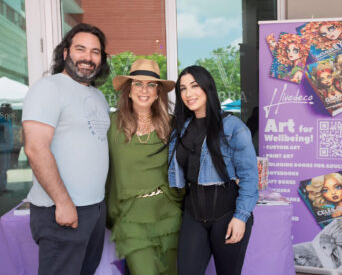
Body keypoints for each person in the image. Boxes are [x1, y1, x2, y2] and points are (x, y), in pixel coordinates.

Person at [22, 23, 110, 275]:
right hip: (60, 209)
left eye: (95, 52)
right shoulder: (49, 88)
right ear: (65, 53)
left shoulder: (98, 96)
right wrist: (62, 202)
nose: (88, 57)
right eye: (80, 49)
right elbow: (35, 148)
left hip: (94, 208)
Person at [168, 65, 259, 275]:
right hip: (193, 214)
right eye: (182, 88)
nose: (188, 93)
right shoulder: (180, 129)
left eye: (194, 86)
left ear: (207, 87)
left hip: (227, 215)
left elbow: (249, 176)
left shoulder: (232, 127)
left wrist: (241, 217)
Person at [106, 59, 184, 275]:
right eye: (138, 84)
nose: (144, 90)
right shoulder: (112, 124)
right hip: (130, 216)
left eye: (151, 85)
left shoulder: (172, 124)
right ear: (128, 91)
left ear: (158, 92)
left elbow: (190, 161)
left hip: (167, 213)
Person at [0, 103, 13, 194]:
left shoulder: (8, 120)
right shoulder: (1, 120)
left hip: (7, 149)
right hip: (2, 149)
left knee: (4, 169)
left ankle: (3, 188)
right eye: (8, 110)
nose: (10, 112)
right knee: (2, 169)